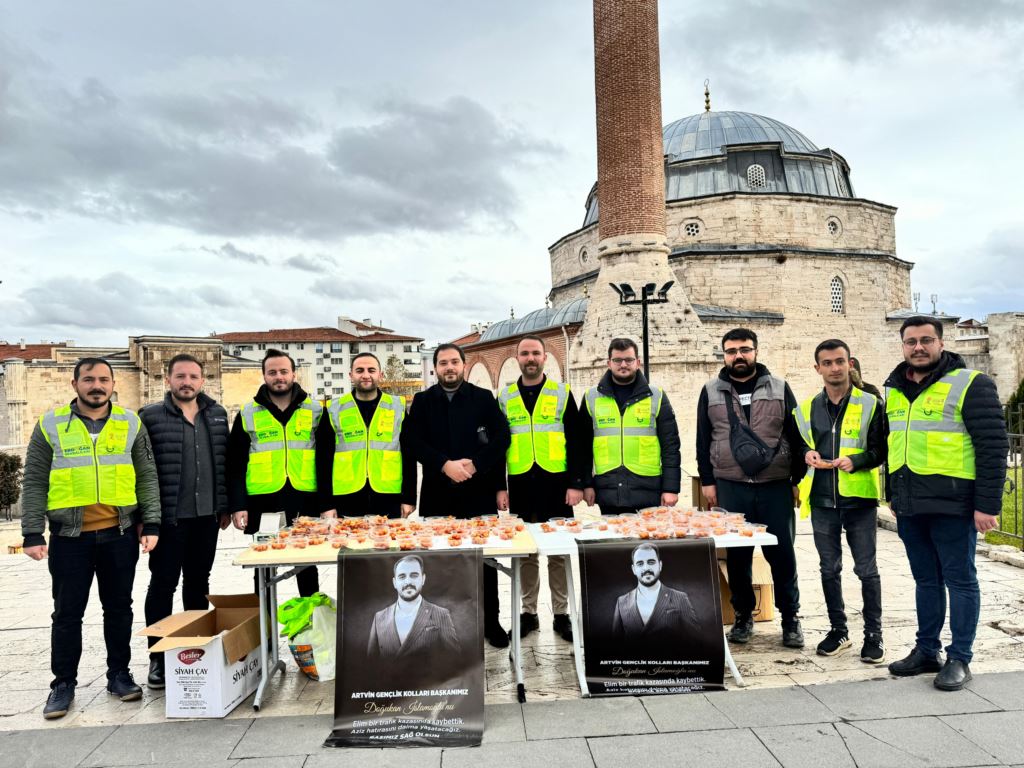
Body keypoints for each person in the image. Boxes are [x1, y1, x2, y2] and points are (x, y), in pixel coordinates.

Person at [20, 358, 161, 719]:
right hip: (70, 538)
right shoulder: (50, 425)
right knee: (67, 613)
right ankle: (63, 683)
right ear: (75, 384)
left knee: (119, 608)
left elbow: (146, 475)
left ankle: (119, 675)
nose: (96, 386)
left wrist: (152, 523)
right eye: (88, 380)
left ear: (113, 384)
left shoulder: (130, 423)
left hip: (119, 533)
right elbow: (34, 480)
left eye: (103, 380)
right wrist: (32, 531)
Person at [884, 316, 1007, 690]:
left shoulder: (972, 384)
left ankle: (960, 658)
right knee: (926, 580)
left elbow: (993, 447)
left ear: (941, 342)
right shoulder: (894, 388)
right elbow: (895, 444)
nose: (917, 348)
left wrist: (987, 504)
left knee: (960, 580)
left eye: (925, 340)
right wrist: (893, 493)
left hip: (954, 504)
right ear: (903, 346)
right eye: (910, 342)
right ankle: (926, 650)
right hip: (909, 505)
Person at [696, 328, 806, 648]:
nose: (738, 356)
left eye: (745, 349)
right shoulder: (710, 390)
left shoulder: (780, 387)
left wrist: (795, 480)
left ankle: (790, 619)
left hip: (774, 486)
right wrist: (708, 481)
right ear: (724, 355)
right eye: (731, 351)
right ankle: (744, 616)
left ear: (756, 351)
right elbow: (704, 440)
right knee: (738, 557)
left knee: (782, 555)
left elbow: (796, 436)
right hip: (731, 486)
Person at [402, 343, 511, 647]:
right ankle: (442, 623)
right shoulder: (423, 401)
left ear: (463, 365)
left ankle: (492, 622)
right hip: (438, 491)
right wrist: (443, 465)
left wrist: (475, 465)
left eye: (454, 362)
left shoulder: (483, 398)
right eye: (443, 363)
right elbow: (411, 441)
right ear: (435, 368)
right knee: (441, 561)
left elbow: (502, 438)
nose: (449, 368)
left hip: (479, 491)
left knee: (486, 561)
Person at [140, 353, 230, 690]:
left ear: (202, 380)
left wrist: (224, 505)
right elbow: (142, 471)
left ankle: (194, 649)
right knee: (163, 585)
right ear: (167, 379)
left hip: (206, 516)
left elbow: (224, 463)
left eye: (193, 376)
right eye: (180, 376)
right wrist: (146, 518)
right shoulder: (149, 416)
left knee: (198, 582)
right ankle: (159, 657)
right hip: (168, 519)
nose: (187, 382)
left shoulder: (218, 414)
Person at [793, 339, 886, 663]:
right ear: (817, 368)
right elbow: (796, 447)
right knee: (828, 568)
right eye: (827, 363)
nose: (834, 368)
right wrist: (807, 453)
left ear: (850, 364)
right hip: (821, 499)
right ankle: (838, 630)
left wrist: (856, 461)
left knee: (866, 569)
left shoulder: (871, 404)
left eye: (839, 361)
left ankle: (874, 635)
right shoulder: (805, 409)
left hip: (859, 499)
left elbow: (880, 451)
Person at [495, 335, 584, 642]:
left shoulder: (561, 393)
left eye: (535, 353)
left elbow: (576, 441)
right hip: (520, 483)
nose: (530, 358)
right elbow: (498, 447)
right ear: (517, 359)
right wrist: (499, 487)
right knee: (525, 551)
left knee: (558, 551)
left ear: (544, 358)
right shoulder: (505, 397)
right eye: (524, 354)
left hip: (556, 484)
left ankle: (561, 614)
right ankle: (528, 612)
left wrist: (576, 483)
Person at [227, 349, 324, 596]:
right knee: (263, 565)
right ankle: (265, 624)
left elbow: (325, 459)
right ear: (264, 376)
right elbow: (235, 462)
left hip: (305, 497)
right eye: (272, 372)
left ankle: (309, 622)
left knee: (307, 565)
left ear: (293, 373)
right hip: (263, 499)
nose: (278, 377)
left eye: (283, 371)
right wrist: (238, 505)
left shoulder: (314, 410)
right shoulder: (248, 413)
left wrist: (326, 503)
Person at [577, 338, 681, 514]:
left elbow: (670, 446)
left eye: (629, 360)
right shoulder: (591, 397)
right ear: (609, 363)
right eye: (617, 360)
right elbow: (583, 448)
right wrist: (586, 484)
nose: (623, 364)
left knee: (649, 540)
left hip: (648, 488)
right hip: (608, 489)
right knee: (613, 541)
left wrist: (670, 488)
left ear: (638, 362)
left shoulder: (657, 395)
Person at [316, 352, 417, 519]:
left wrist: (409, 498)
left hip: (389, 495)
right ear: (351, 375)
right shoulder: (335, 409)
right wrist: (326, 504)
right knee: (347, 545)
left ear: (380, 375)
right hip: (346, 496)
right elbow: (323, 460)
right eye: (359, 370)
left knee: (388, 544)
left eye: (371, 370)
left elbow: (409, 455)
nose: (365, 375)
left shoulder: (397, 406)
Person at [366, 555, 462, 685]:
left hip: (428, 695)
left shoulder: (441, 614)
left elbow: (454, 662)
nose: (408, 582)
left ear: (423, 579)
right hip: (390, 697)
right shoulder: (379, 618)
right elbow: (371, 666)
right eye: (402, 576)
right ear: (395, 582)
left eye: (414, 575)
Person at [612, 544, 700, 651]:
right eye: (640, 564)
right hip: (636, 668)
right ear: (634, 569)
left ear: (660, 565)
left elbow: (696, 642)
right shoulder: (622, 602)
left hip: (670, 667)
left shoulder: (680, 598)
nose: (646, 568)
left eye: (651, 562)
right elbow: (616, 646)